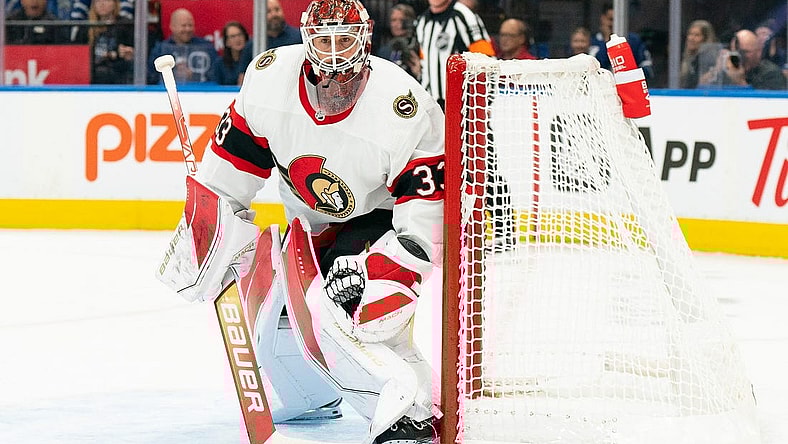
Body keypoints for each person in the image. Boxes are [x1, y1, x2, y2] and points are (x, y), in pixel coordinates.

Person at [155, 1, 444, 443]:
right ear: (306, 41)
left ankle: (411, 408)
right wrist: (206, 229)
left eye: (343, 40)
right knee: (272, 303)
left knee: (352, 311)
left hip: (377, 225)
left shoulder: (402, 105)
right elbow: (231, 171)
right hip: (307, 227)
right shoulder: (270, 79)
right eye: (323, 41)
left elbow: (426, 211)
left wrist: (387, 269)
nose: (333, 55)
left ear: (364, 42)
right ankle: (305, 394)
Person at [415, 0, 495, 109]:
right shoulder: (423, 21)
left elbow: (486, 59)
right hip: (432, 101)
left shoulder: (463, 15)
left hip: (463, 102)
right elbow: (424, 62)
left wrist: (486, 99)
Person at [146, 8, 219, 84]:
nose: (187, 29)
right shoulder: (160, 49)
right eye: (183, 25)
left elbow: (216, 76)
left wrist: (194, 76)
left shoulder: (206, 47)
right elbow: (151, 77)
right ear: (172, 27)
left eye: (190, 25)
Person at [589, 2, 654, 79]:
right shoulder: (594, 41)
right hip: (604, 88)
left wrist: (630, 75)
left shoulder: (634, 41)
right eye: (611, 19)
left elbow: (648, 70)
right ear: (603, 18)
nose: (614, 24)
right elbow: (595, 70)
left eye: (617, 20)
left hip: (629, 88)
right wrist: (607, 40)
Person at [78, 0, 134, 84]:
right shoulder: (86, 27)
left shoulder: (125, 25)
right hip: (92, 75)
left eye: (106, 0)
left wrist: (128, 53)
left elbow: (133, 51)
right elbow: (77, 52)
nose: (102, 4)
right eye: (98, 1)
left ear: (115, 3)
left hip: (118, 74)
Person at [376, 3, 421, 80]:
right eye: (394, 20)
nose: (398, 24)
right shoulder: (383, 51)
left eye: (402, 20)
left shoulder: (421, 47)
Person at [679, 19, 717, 89]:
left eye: (697, 35)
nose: (691, 38)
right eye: (690, 34)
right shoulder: (689, 59)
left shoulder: (709, 59)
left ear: (705, 39)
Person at [215, 21, 251, 86]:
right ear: (226, 42)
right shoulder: (219, 63)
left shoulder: (253, 61)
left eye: (240, 35)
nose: (237, 39)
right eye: (233, 36)